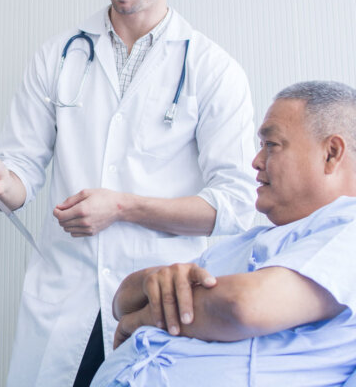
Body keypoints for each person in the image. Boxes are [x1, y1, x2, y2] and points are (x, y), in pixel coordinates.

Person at [0, 0, 256, 385]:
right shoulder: (57, 56)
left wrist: (123, 207)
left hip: (159, 307)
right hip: (65, 299)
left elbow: (237, 206)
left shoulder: (213, 70)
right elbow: (21, 174)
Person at [91, 80, 356, 387]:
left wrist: (142, 319)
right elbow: (123, 300)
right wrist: (152, 286)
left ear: (331, 153)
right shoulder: (247, 243)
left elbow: (244, 306)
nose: (256, 162)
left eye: (271, 145)